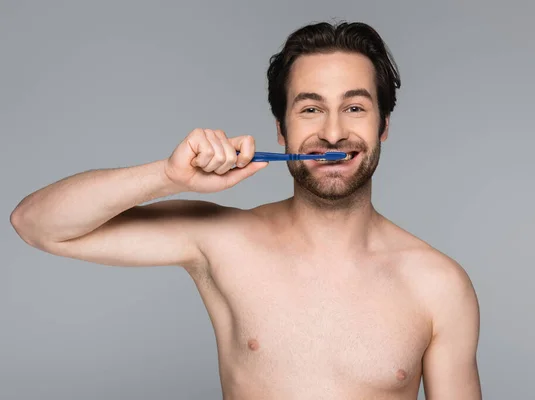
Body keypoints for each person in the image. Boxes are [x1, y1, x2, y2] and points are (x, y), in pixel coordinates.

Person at [10, 21, 482, 400]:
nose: (334, 133)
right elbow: (36, 225)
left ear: (383, 127)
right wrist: (169, 176)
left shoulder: (438, 285)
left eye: (355, 108)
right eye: (310, 109)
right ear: (281, 130)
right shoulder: (223, 240)